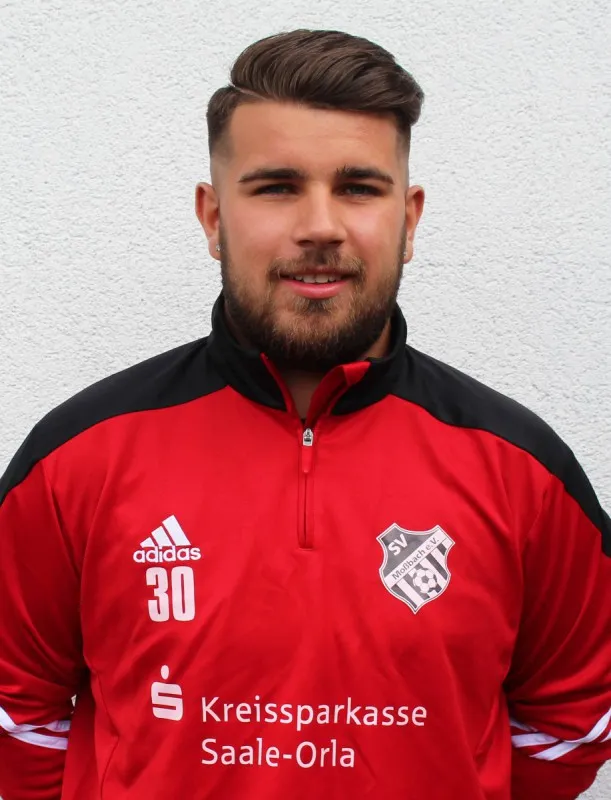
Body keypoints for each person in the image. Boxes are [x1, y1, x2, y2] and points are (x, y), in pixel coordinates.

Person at [0, 27, 609, 800]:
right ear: (213, 218)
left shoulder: (524, 471)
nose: (320, 226)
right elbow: (16, 717)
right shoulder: (77, 457)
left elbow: (570, 724)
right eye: (276, 187)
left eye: (358, 187)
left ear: (409, 219)